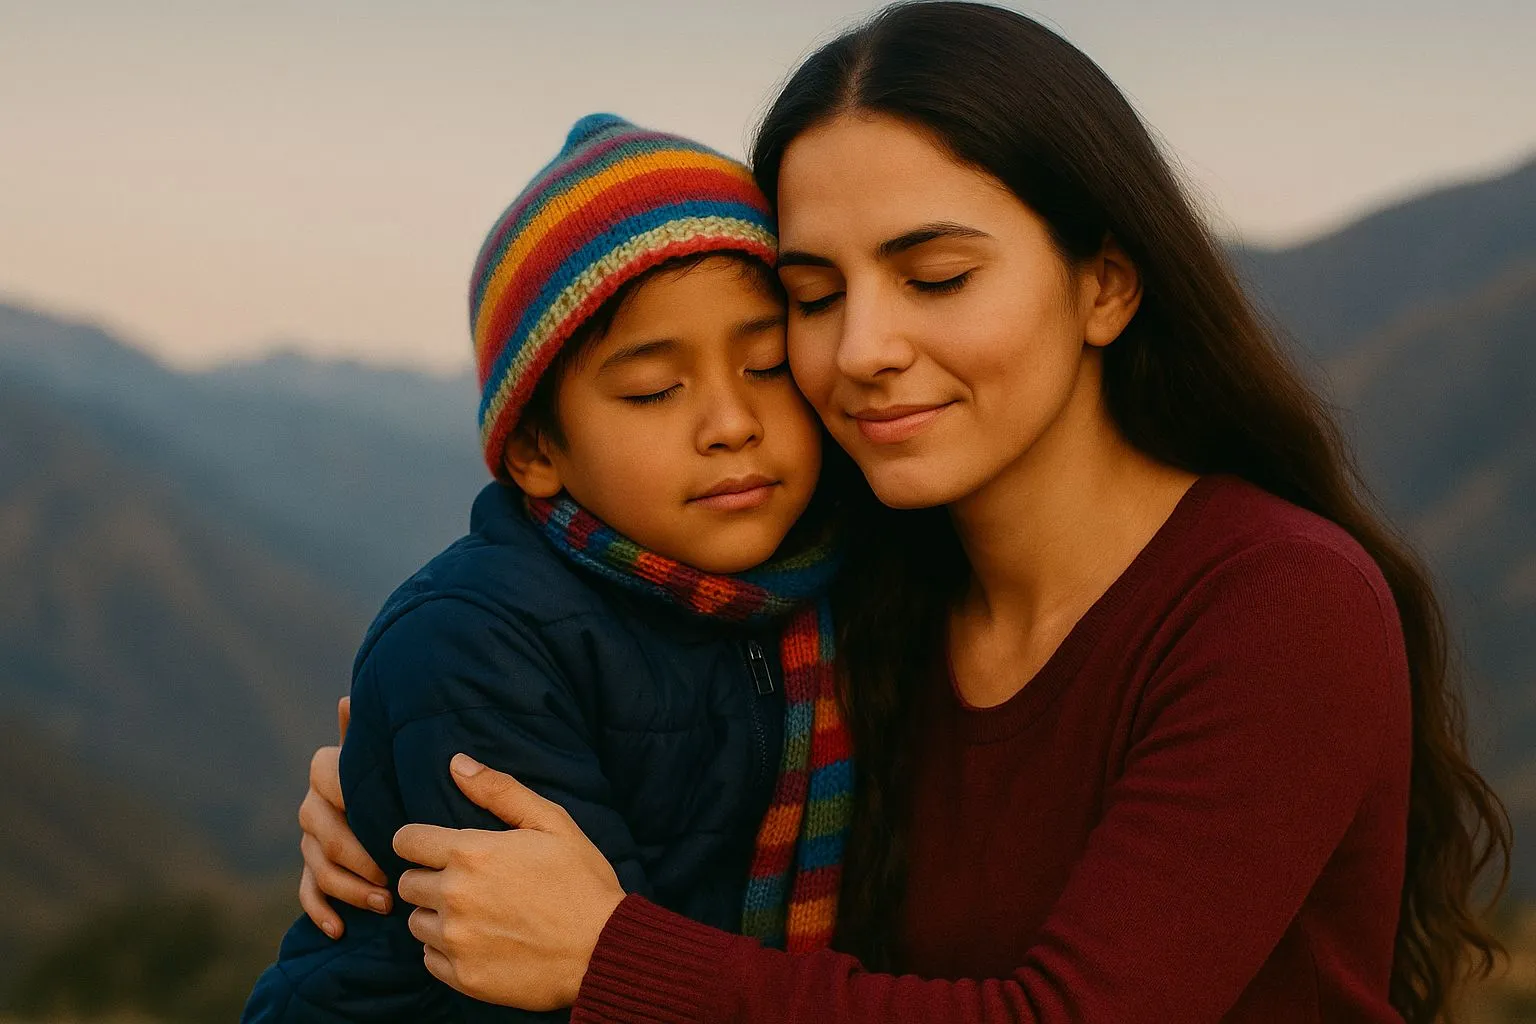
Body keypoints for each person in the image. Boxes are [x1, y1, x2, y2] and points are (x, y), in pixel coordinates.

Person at [293, 4, 1511, 1021]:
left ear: (1104, 282)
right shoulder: (846, 592)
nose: (864, 348)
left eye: (936, 277)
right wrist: (399, 802)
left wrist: (612, 956)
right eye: (814, 297)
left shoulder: (1276, 602)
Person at [242, 114, 850, 1022]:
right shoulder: (479, 641)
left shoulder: (821, 591)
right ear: (534, 451)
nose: (731, 420)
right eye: (654, 389)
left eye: (767, 365)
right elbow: (540, 980)